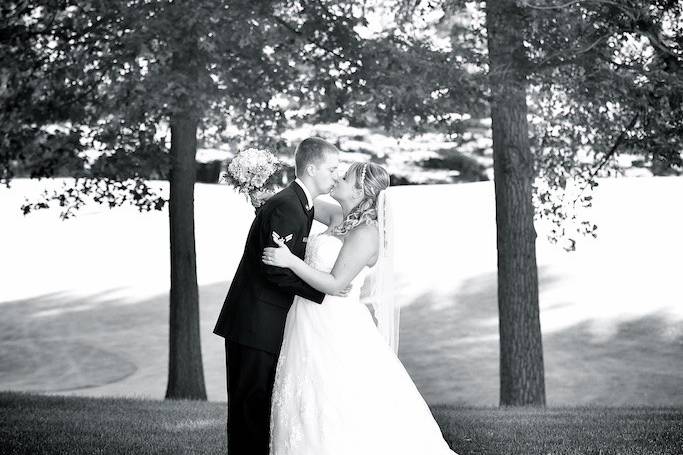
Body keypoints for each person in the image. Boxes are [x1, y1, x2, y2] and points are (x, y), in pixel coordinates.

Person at [262, 162, 458, 455]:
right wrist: (259, 193)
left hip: (334, 324)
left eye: (344, 177)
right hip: (305, 318)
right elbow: (303, 202)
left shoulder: (367, 233)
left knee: (336, 396)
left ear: (360, 191)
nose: (337, 178)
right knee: (303, 396)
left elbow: (334, 283)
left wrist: (291, 261)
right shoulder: (339, 215)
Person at [213, 137, 341, 455]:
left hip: (265, 320)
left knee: (257, 408)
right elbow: (275, 269)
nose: (336, 175)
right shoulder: (288, 205)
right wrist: (324, 289)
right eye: (332, 168)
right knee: (250, 410)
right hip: (254, 321)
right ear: (311, 168)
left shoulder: (300, 203)